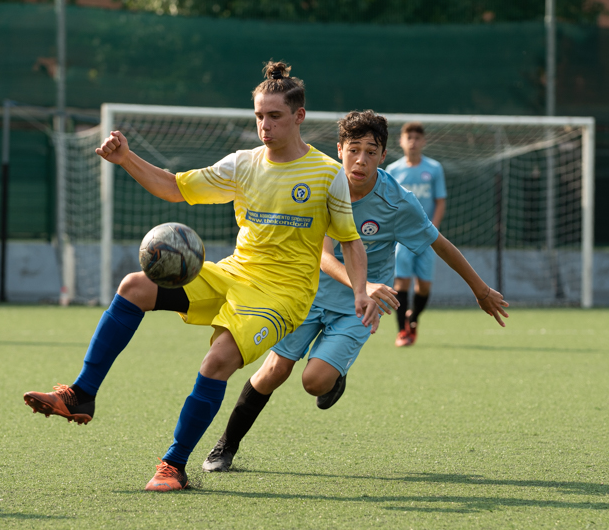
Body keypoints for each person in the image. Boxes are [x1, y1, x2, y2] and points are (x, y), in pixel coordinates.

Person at [22, 61, 380, 492]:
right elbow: (174, 187)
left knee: (217, 360)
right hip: (232, 273)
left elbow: (350, 242)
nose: (265, 125)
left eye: (275, 116)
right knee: (134, 287)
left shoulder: (327, 174)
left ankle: (173, 465)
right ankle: (82, 394)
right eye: (259, 116)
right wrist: (125, 158)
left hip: (282, 297)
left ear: (298, 116)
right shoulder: (243, 164)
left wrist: (360, 291)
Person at [201, 110, 509, 473]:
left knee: (314, 382)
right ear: (339, 150)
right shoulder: (323, 183)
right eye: (353, 150)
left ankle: (334, 375)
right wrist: (363, 284)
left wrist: (480, 290)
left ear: (383, 156)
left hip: (358, 307)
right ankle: (225, 447)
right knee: (274, 370)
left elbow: (439, 243)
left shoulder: (398, 202)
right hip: (307, 293)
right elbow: (323, 256)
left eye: (371, 152)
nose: (361, 160)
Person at [387, 122, 447, 347]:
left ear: (424, 141)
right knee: (401, 282)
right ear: (401, 141)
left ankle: (413, 318)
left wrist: (433, 230)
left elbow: (440, 201)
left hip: (427, 237)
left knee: (424, 286)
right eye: (408, 137)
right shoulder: (393, 170)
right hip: (402, 237)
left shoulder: (434, 168)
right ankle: (402, 332)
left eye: (417, 138)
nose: (413, 142)